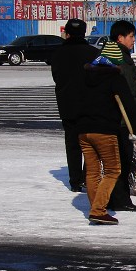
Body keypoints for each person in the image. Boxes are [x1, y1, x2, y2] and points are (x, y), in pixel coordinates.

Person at [76, 54, 136, 225]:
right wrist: (135, 128)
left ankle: (96, 208)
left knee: (92, 172)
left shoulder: (83, 78)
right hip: (105, 131)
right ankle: (98, 210)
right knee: (113, 170)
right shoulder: (115, 78)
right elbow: (128, 103)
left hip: (83, 130)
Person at [50, 18, 101, 192]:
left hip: (67, 105)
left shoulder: (57, 54)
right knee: (90, 143)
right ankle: (89, 176)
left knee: (72, 143)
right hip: (91, 105)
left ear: (67, 33)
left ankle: (75, 180)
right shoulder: (94, 53)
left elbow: (57, 77)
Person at [106, 20, 136, 212]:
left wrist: (135, 72)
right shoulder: (116, 58)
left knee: (123, 160)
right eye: (131, 37)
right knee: (121, 161)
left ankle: (120, 198)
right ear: (120, 38)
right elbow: (125, 92)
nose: (133, 40)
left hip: (124, 118)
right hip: (120, 119)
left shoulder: (124, 57)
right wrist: (135, 120)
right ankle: (118, 199)